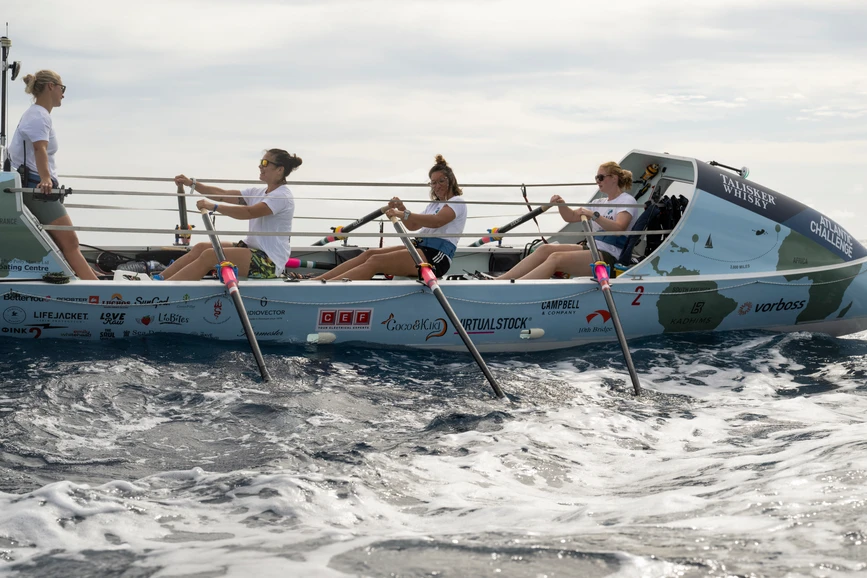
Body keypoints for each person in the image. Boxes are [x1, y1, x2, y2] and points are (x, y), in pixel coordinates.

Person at [312, 155, 467, 281]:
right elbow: (413, 226)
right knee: (369, 254)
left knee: (375, 262)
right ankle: (318, 281)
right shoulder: (434, 205)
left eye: (441, 181)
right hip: (421, 247)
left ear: (451, 181)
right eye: (433, 183)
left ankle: (329, 287)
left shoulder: (457, 202)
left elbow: (437, 221)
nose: (437, 186)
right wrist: (403, 209)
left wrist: (402, 214)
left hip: (437, 256)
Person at [9, 70, 98, 280]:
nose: (63, 94)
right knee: (70, 242)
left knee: (64, 243)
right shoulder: (38, 115)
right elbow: (40, 149)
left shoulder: (38, 114)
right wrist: (46, 179)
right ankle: (98, 289)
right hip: (38, 188)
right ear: (51, 86)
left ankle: (93, 277)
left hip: (38, 185)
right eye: (62, 88)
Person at [159, 149, 300, 281]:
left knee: (210, 256)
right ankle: (158, 280)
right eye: (260, 162)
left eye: (265, 163)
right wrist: (192, 184)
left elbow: (249, 212)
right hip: (250, 248)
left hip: (269, 261)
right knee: (201, 248)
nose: (260, 166)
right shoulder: (258, 192)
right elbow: (223, 195)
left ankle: (162, 292)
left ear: (280, 169)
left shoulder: (282, 196)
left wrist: (214, 207)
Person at [497, 161, 638, 280]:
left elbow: (620, 228)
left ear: (614, 178)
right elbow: (569, 217)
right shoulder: (599, 202)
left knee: (556, 258)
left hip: (611, 255)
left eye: (601, 177)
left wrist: (594, 216)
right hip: (593, 248)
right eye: (596, 178)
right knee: (545, 249)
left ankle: (515, 287)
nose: (597, 181)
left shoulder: (627, 200)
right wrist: (561, 204)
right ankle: (500, 281)